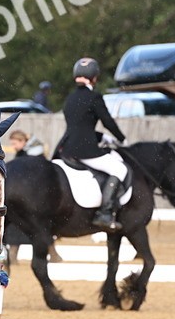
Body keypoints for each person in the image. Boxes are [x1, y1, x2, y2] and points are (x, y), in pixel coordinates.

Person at [54, 57, 127, 232]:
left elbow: (80, 125)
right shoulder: (94, 97)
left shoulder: (70, 98)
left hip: (66, 148)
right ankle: (105, 213)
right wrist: (121, 138)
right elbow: (107, 121)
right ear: (94, 77)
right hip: (86, 150)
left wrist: (101, 136)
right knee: (120, 169)